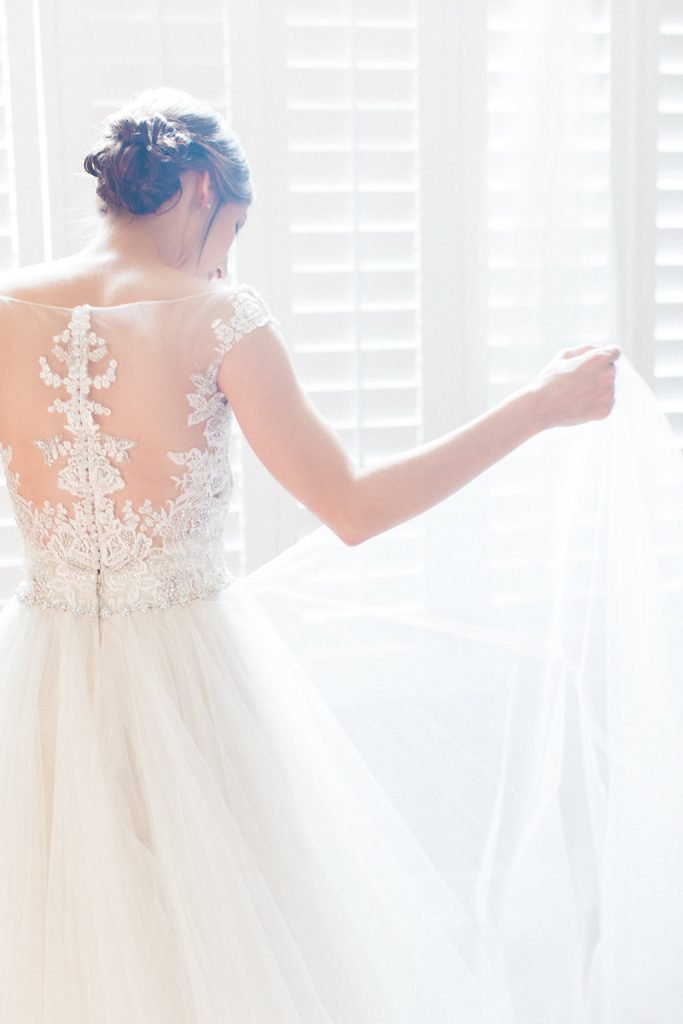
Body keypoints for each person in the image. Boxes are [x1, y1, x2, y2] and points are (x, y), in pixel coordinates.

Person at [0, 87, 623, 1023]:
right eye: (233, 230)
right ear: (204, 187)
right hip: (190, 676)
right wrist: (537, 405)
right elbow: (354, 507)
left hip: (44, 681)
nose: (227, 259)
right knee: (226, 946)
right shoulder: (220, 316)